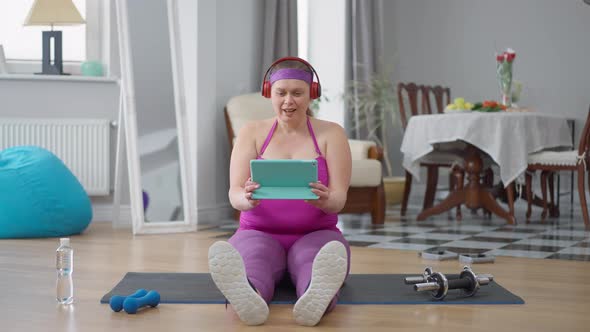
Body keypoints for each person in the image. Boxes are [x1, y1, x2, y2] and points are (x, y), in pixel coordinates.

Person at [208, 56, 352, 326]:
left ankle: (315, 296)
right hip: (257, 232)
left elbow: (339, 199)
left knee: (314, 261)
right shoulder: (251, 132)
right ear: (268, 93)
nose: (289, 101)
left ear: (312, 94)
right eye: (281, 93)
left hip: (316, 233)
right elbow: (234, 194)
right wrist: (246, 198)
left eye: (297, 93)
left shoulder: (332, 134)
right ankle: (249, 296)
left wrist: (325, 201)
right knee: (253, 261)